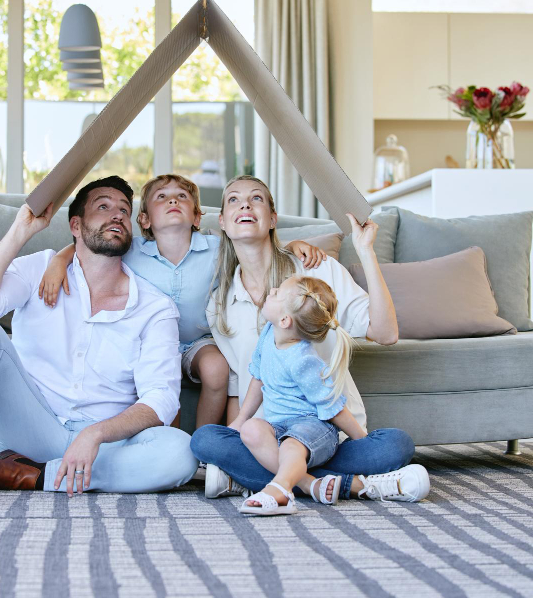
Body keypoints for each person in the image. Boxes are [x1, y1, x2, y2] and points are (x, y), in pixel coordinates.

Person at [0, 176, 198, 507]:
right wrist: (20, 231)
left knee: (180, 453)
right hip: (29, 428)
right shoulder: (39, 268)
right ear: (75, 224)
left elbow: (161, 399)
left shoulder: (155, 308)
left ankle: (24, 475)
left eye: (124, 210)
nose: (117, 214)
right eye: (103, 206)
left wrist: (96, 433)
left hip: (103, 446)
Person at [191, 175, 431, 504]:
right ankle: (336, 484)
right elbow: (241, 383)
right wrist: (236, 428)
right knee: (205, 440)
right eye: (233, 199)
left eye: (257, 198)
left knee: (396, 444)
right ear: (222, 221)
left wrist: (366, 253)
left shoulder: (316, 270)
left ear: (273, 219)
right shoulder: (218, 307)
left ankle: (256, 479)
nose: (245, 204)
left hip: (332, 435)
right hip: (269, 437)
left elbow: (385, 332)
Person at [37, 174, 327, 428]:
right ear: (145, 219)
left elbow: (256, 243)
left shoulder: (216, 248)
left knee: (216, 369)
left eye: (182, 197)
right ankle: (169, 440)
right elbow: (89, 245)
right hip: (148, 341)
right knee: (160, 380)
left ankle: (204, 444)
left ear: (197, 216)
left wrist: (292, 245)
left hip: (198, 342)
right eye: (161, 197)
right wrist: (58, 262)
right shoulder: (132, 250)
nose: (172, 201)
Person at [230, 276, 429, 515]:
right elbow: (258, 375)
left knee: (292, 446)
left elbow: (332, 407)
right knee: (249, 429)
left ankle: (280, 488)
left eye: (277, 293)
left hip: (313, 428)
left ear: (284, 320)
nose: (271, 290)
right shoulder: (268, 333)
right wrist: (241, 420)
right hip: (278, 427)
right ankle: (312, 484)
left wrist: (363, 441)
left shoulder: (303, 360)